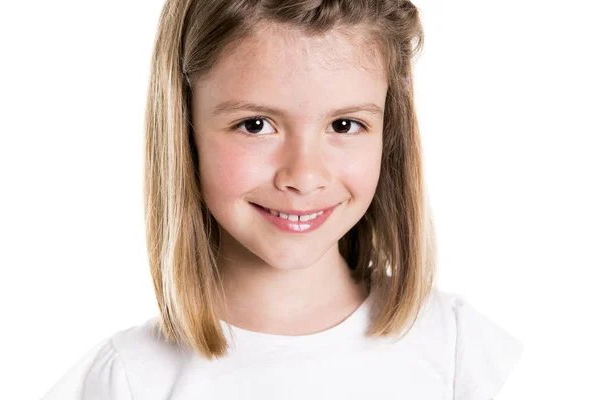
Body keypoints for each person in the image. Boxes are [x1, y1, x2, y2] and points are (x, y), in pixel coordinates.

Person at [41, 0, 524, 399]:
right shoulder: (125, 381)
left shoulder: (464, 354)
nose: (304, 175)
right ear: (184, 128)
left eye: (344, 125)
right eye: (255, 125)